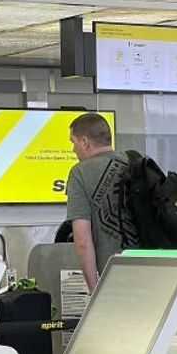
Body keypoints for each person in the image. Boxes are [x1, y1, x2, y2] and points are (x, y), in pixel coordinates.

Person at [65, 112, 137, 293]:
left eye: (73, 142)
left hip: (114, 277)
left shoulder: (80, 173)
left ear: (84, 142)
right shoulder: (137, 161)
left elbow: (82, 239)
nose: (74, 149)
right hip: (156, 271)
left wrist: (93, 289)